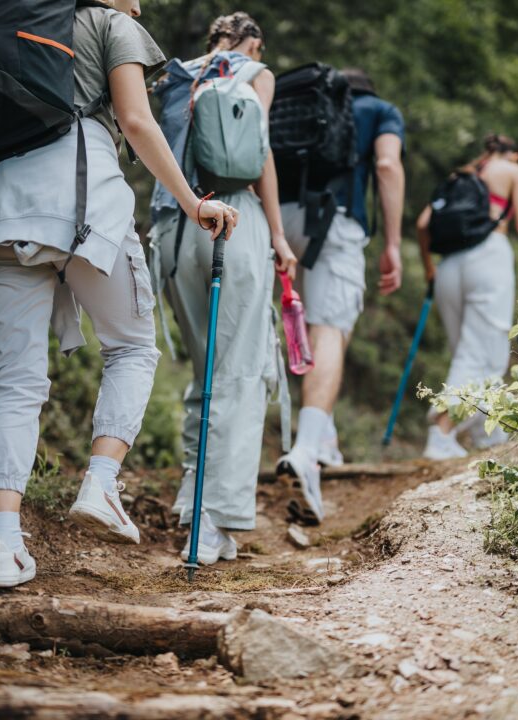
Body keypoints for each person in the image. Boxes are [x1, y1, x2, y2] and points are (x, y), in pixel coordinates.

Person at [0, 0, 240, 588]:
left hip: (3, 211)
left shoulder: (4, 28)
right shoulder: (113, 25)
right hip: (84, 203)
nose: (142, 2)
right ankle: (101, 483)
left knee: (14, 381)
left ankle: (1, 548)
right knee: (133, 346)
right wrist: (194, 203)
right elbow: (136, 121)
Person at [148, 12, 297, 565]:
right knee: (239, 370)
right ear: (253, 40)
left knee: (204, 367)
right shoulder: (255, 72)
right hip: (231, 221)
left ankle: (193, 500)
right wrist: (279, 238)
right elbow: (261, 156)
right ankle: (215, 521)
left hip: (170, 227)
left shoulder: (176, 75)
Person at [275, 68, 405, 525]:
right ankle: (306, 453)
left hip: (281, 221)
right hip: (334, 223)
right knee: (331, 328)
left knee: (309, 328)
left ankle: (323, 434)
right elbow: (387, 166)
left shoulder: (301, 107)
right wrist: (392, 243)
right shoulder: (379, 111)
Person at [416, 133, 518, 460]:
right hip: (488, 260)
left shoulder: (462, 175)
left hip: (449, 267)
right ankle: (442, 432)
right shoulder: (514, 171)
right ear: (514, 155)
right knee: (484, 355)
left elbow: (423, 223)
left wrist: (429, 268)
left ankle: (488, 434)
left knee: (467, 352)